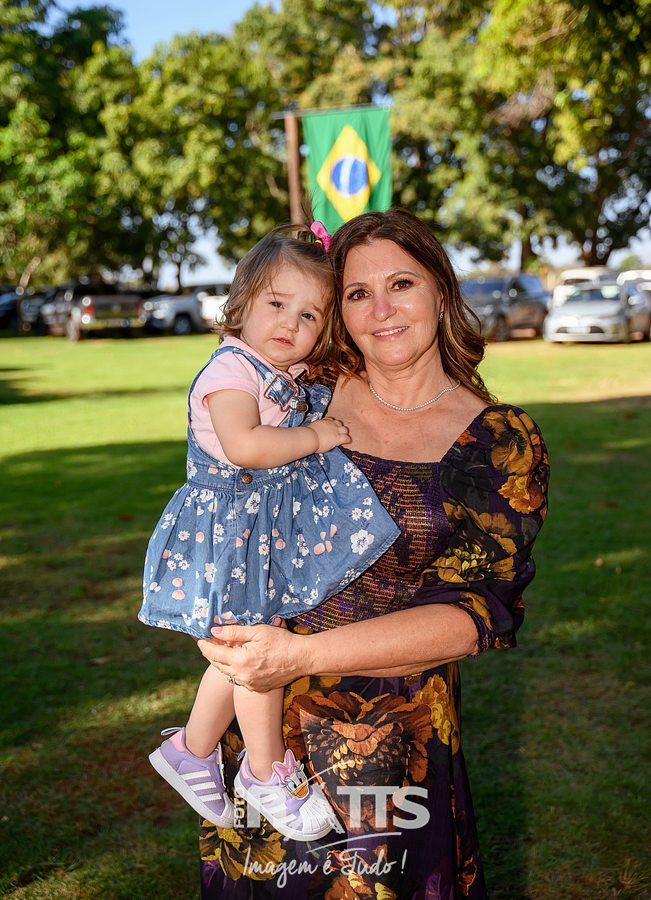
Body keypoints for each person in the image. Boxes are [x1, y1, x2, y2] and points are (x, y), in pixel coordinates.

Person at [196, 209, 550, 898]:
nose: (381, 310)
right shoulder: (299, 395)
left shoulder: (498, 442)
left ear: (440, 291)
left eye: (401, 284)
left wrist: (295, 655)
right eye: (358, 292)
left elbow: (474, 616)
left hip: (393, 745)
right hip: (261, 726)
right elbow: (223, 503)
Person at [138, 224, 400, 843]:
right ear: (242, 302)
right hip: (228, 533)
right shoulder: (231, 371)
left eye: (309, 315)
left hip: (254, 533)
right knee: (258, 654)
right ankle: (264, 773)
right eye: (277, 303)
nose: (289, 323)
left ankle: (192, 750)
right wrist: (316, 435)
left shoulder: (278, 368)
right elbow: (246, 447)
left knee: (239, 648)